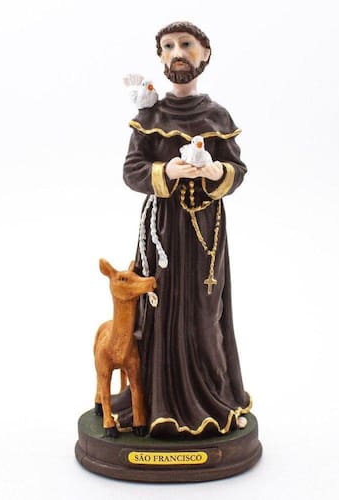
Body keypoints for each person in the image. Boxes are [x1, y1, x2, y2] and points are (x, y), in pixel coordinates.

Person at [112, 21, 251, 438]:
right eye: (168, 46)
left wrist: (216, 172)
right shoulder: (150, 115)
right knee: (159, 313)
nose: (177, 53)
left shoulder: (217, 116)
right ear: (160, 57)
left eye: (186, 44)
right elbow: (132, 170)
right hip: (162, 232)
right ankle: (157, 403)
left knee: (205, 317)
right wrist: (166, 171)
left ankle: (212, 399)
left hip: (206, 233)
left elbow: (238, 170)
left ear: (204, 54)